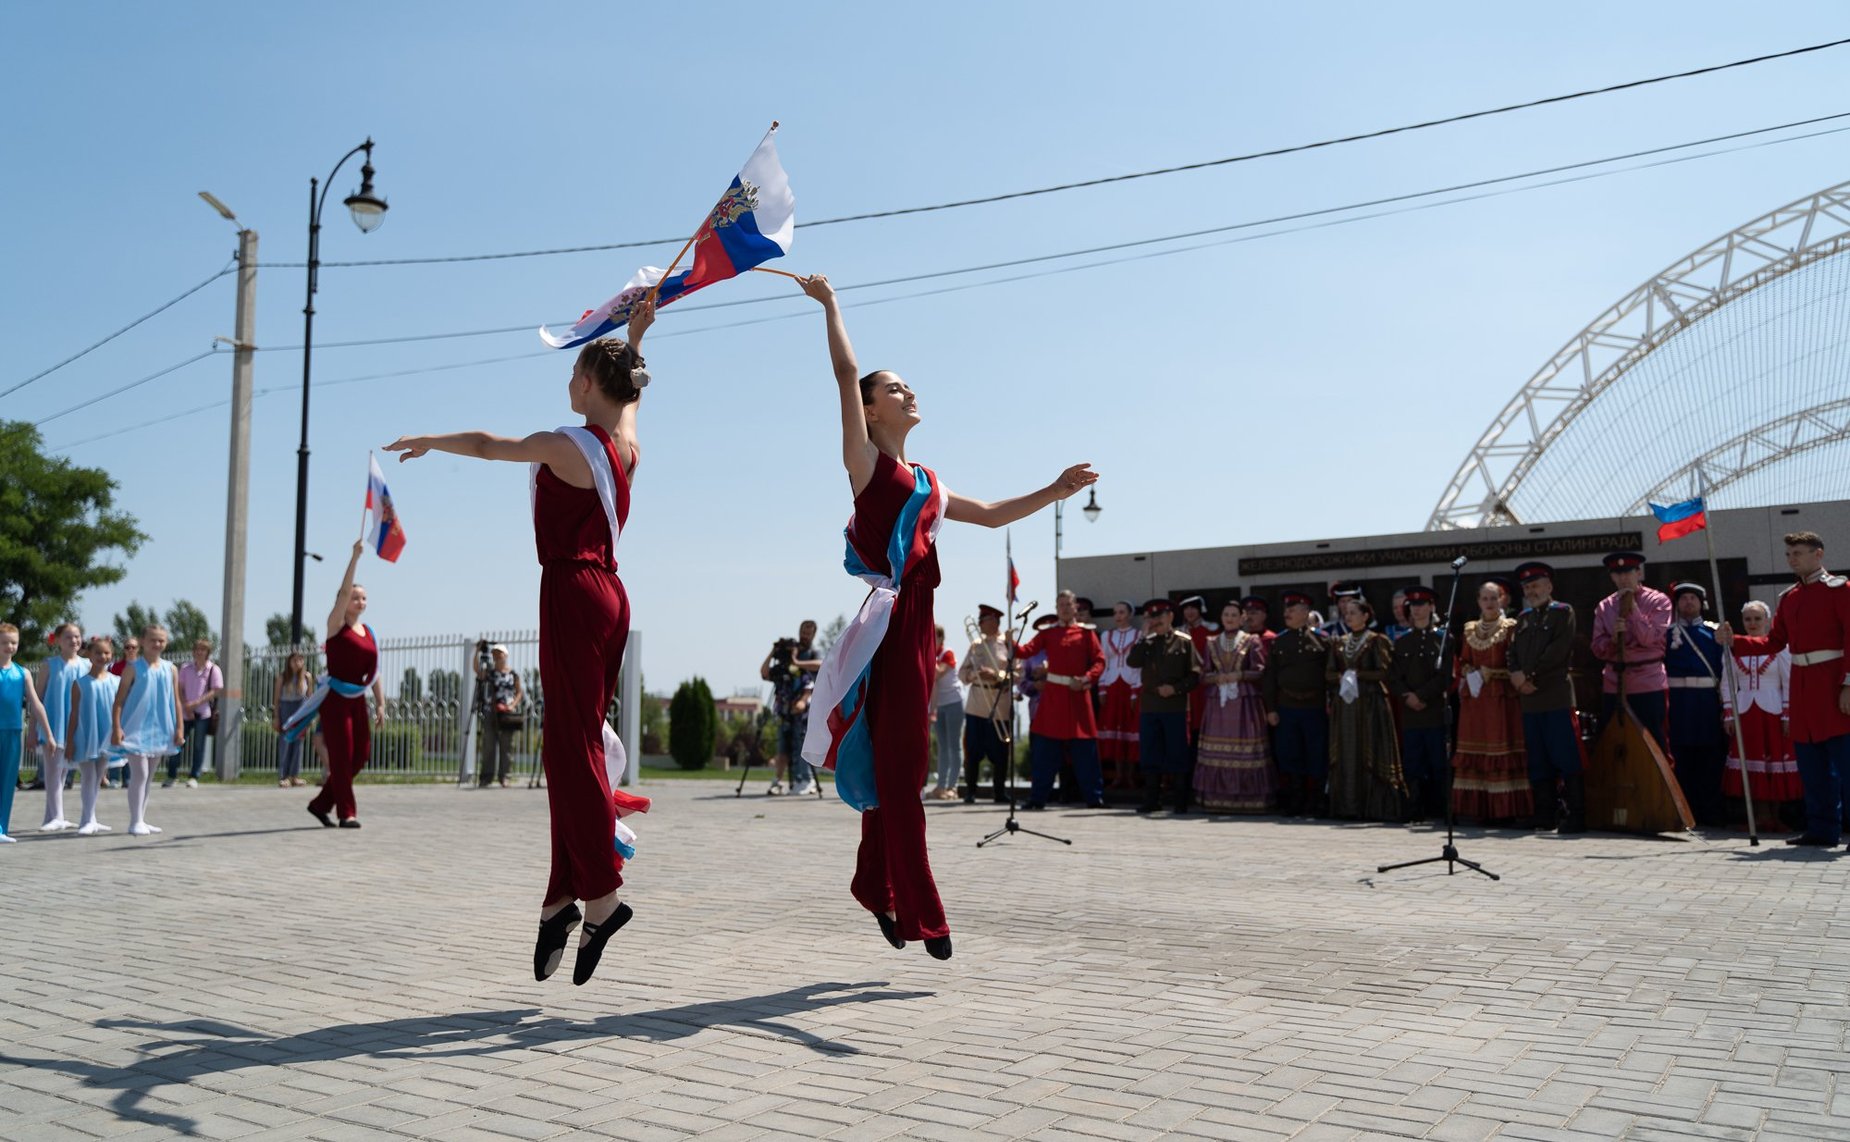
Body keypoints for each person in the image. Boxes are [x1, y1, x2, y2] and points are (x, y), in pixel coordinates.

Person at [797, 273, 1097, 960]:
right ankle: (921, 912)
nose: (908, 393)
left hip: (917, 631)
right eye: (894, 388)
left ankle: (876, 885)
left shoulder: (929, 481)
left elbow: (988, 515)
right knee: (901, 773)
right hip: (885, 630)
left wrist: (1054, 489)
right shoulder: (864, 464)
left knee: (901, 768)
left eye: (909, 386)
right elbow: (843, 373)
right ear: (869, 410)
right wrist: (831, 305)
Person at [385, 296, 658, 985]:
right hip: (610, 594)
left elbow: (488, 445)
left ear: (587, 383)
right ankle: (561, 899)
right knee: (569, 746)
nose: (568, 383)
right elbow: (631, 404)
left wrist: (432, 439)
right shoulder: (625, 447)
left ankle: (601, 898)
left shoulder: (569, 445)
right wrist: (637, 337)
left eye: (574, 375)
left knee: (571, 749)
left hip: (573, 591)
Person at [1717, 531, 1850, 848]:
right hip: (1802, 687)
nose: (1792, 560)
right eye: (1789, 554)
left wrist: (1848, 684)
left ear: (1818, 554)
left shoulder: (1841, 590)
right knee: (1812, 765)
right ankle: (1822, 829)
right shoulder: (1789, 598)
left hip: (1832, 682)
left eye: (1798, 553)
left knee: (1846, 762)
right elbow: (1774, 642)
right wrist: (1735, 641)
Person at [279, 542, 386, 833]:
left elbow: (374, 672)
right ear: (344, 600)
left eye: (364, 598)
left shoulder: (369, 632)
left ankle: (320, 804)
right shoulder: (336, 625)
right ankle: (346, 813)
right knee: (341, 756)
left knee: (360, 756)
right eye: (355, 597)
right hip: (335, 700)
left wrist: (380, 702)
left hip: (357, 699)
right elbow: (343, 592)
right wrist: (354, 558)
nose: (360, 602)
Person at [1506, 562, 1583, 833]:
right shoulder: (1523, 618)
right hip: (1530, 701)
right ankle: (1544, 814)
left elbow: (1558, 651)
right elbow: (1512, 652)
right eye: (1527, 587)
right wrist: (1515, 674)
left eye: (1536, 586)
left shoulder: (1563, 613)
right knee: (1538, 759)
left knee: (1566, 756)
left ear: (1549, 586)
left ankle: (1576, 814)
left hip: (1554, 696)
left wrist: (1529, 677)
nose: (1531, 591)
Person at [1013, 590, 1106, 811]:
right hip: (1054, 698)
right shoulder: (1048, 633)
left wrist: (1086, 679)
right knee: (1045, 751)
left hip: (1077, 695)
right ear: (1056, 609)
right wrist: (1011, 642)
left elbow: (1099, 661)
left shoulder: (1086, 633)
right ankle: (1037, 798)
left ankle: (1094, 798)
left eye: (1068, 604)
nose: (1065, 608)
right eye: (1061, 605)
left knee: (1085, 751)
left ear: (1075, 607)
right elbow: (1026, 651)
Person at [1449, 580, 1530, 825]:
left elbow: (1516, 663)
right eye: (1484, 598)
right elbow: (1464, 660)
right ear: (1478, 602)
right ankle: (1478, 808)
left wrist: (1493, 673)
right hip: (1475, 699)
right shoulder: (1470, 629)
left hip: (1500, 698)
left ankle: (1504, 810)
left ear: (1502, 599)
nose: (1489, 603)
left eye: (1494, 598)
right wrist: (1470, 671)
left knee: (1499, 745)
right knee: (1476, 746)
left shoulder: (1510, 627)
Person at [1721, 600, 1799, 832]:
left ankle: (1774, 816)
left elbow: (1789, 683)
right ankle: (1759, 816)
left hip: (1773, 711)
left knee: (1773, 763)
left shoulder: (1780, 647)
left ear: (1767, 620)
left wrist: (1787, 715)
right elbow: (1727, 683)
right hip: (1745, 711)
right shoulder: (1733, 647)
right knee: (1751, 761)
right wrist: (1729, 713)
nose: (1752, 623)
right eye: (1748, 619)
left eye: (1757, 618)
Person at [1326, 599, 1405, 821]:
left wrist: (1357, 674)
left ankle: (1374, 806)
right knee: (1347, 750)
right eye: (1346, 613)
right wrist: (1341, 676)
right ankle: (1347, 804)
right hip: (1346, 705)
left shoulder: (1376, 640)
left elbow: (1384, 671)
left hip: (1370, 703)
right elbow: (1329, 673)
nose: (1348, 617)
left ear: (1365, 615)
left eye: (1353, 612)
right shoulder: (1339, 642)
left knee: (1370, 746)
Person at [1194, 600, 1271, 813]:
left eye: (1234, 615)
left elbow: (1260, 671)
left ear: (1242, 618)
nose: (1229, 618)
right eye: (1226, 614)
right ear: (1221, 618)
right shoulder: (1212, 642)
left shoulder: (1251, 641)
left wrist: (1241, 675)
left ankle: (1248, 799)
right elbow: (1203, 674)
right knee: (1218, 748)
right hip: (1218, 704)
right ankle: (1217, 798)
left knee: (1244, 746)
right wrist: (1216, 678)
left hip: (1244, 703)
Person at [1591, 550, 1672, 750]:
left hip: (1648, 682)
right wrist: (1613, 639)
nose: (1623, 578)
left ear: (1639, 573)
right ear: (1612, 577)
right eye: (1618, 573)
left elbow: (1649, 638)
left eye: (1628, 572)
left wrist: (1633, 609)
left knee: (1654, 742)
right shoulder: (1604, 607)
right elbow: (1597, 649)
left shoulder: (1658, 601)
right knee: (1614, 741)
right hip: (1615, 683)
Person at [110, 624, 183, 837]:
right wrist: (117, 727)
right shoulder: (133, 668)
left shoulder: (170, 669)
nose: (157, 644)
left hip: (160, 728)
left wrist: (179, 727)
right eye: (153, 640)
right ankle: (135, 821)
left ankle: (141, 818)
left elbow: (176, 700)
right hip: (135, 728)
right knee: (139, 774)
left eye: (161, 640)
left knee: (149, 776)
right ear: (143, 641)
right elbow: (119, 701)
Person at [1664, 583, 1728, 825]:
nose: (1688, 602)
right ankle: (1685, 811)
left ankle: (1710, 811)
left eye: (1693, 598)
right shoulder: (1667, 634)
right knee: (1681, 756)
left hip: (1706, 703)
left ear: (1702, 603)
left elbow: (1725, 670)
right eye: (1683, 598)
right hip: (1679, 704)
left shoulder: (1714, 633)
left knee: (1710, 757)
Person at [1127, 599, 1199, 813]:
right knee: (1150, 753)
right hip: (1150, 706)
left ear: (1170, 617)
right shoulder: (1147, 643)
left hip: (1175, 706)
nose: (1156, 621)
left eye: (1159, 617)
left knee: (1178, 753)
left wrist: (1175, 689)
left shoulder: (1184, 641)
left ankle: (1179, 802)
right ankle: (1152, 800)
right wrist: (1143, 636)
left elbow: (1195, 675)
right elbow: (1132, 661)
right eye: (1152, 617)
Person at [1388, 585, 1452, 822]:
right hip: (1411, 714)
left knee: (1439, 763)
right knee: (1413, 763)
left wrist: (1422, 696)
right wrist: (1408, 696)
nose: (1417, 610)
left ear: (1431, 607)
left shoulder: (1443, 639)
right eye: (1413, 605)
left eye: (1422, 604)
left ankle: (1442, 809)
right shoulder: (1402, 641)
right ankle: (1415, 809)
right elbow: (1394, 676)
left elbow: (1446, 675)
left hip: (1433, 711)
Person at [1264, 591, 1331, 816]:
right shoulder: (1279, 641)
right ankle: (1295, 799)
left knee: (1317, 754)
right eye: (1286, 609)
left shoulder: (1322, 640)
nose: (1287, 613)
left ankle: (1318, 800)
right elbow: (1270, 678)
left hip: (1314, 706)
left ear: (1305, 612)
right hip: (1287, 706)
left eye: (1292, 610)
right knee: (1290, 754)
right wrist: (1271, 709)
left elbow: (1330, 675)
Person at [0, 623, 58, 843]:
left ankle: (2, 828)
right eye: (4, 642)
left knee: (8, 781)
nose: (9, 646)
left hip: (13, 731)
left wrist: (49, 734)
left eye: (13, 642)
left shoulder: (22, 673)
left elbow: (36, 704)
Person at [958, 604, 1016, 804]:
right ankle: (970, 791)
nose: (980, 623)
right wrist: (975, 675)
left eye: (983, 620)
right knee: (972, 751)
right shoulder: (976, 644)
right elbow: (962, 674)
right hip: (976, 705)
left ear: (994, 621)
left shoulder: (1007, 644)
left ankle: (999, 792)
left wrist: (997, 675)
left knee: (1000, 752)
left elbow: (1017, 673)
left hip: (1000, 704)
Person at [29, 622, 85, 828]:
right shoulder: (50, 665)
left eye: (77, 636)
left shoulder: (86, 665)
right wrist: (33, 729)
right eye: (68, 637)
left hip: (74, 725)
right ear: (59, 640)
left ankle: (51, 816)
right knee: (53, 771)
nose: (74, 640)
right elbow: (37, 698)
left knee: (63, 772)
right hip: (52, 725)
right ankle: (57, 817)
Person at [760, 621, 823, 796]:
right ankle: (784, 781)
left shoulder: (812, 653)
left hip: (805, 709)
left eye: (808, 633)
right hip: (785, 709)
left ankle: (806, 779)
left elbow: (821, 665)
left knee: (802, 744)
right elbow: (765, 673)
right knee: (783, 747)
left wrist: (797, 662)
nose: (805, 636)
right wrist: (775, 651)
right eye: (803, 632)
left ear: (813, 635)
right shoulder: (788, 655)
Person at [65, 636, 120, 835]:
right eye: (98, 652)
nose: (102, 656)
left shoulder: (116, 681)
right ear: (89, 654)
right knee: (88, 776)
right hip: (86, 735)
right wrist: (70, 741)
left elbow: (121, 710)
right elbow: (74, 714)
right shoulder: (80, 683)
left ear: (112, 655)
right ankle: (87, 819)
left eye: (106, 653)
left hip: (106, 735)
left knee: (98, 778)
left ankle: (90, 817)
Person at [1095, 600, 1142, 788]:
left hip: (1130, 683)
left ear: (1130, 614)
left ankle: (1130, 775)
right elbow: (1104, 663)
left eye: (1122, 612)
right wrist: (1102, 687)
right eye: (1115, 613)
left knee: (1130, 728)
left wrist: (1136, 690)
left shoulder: (1138, 635)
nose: (1118, 616)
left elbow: (1140, 665)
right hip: (1112, 684)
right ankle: (1118, 774)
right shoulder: (1107, 635)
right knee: (1114, 727)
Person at [169, 639, 223, 789]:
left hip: (203, 713)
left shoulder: (213, 669)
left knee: (199, 745)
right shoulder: (186, 668)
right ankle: (172, 775)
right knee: (178, 742)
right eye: (197, 649)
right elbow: (179, 687)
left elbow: (215, 690)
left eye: (203, 649)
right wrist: (186, 705)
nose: (199, 652)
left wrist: (196, 703)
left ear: (207, 652)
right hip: (184, 712)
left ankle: (194, 776)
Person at [473, 643, 525, 789]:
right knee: (488, 745)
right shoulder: (490, 672)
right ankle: (486, 777)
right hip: (491, 711)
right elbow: (477, 670)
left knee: (507, 746)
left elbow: (519, 692)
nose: (497, 656)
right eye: (495, 653)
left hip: (507, 713)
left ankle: (505, 776)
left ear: (505, 655)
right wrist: (477, 651)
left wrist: (512, 705)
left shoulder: (513, 674)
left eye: (500, 653)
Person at [926, 624, 965, 800]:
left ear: (941, 638)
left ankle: (953, 787)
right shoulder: (932, 655)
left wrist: (927, 654)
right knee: (942, 747)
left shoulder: (947, 653)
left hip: (954, 703)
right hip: (939, 705)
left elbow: (937, 674)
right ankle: (941, 786)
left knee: (954, 745)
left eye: (934, 636)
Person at [273, 652, 312, 787]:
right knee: (286, 742)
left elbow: (309, 698)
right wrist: (276, 717)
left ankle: (294, 775)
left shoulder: (307, 677)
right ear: (289, 662)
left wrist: (309, 718)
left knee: (298, 743)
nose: (297, 663)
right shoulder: (283, 677)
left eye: (300, 660)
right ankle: (284, 776)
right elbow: (276, 699)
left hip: (301, 709)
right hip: (286, 709)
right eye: (294, 660)